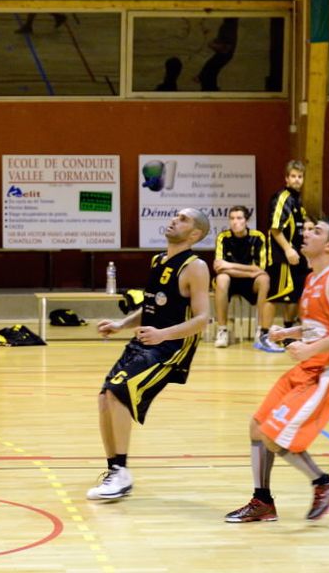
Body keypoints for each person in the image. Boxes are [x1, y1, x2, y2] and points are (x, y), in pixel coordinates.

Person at [224, 216, 329, 523]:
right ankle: (262, 501)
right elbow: (319, 326)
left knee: (274, 436)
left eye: (316, 231)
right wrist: (289, 333)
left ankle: (324, 483)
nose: (306, 233)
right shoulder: (313, 278)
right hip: (306, 367)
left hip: (326, 372)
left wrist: (310, 349)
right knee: (257, 427)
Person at [87, 208, 211, 500]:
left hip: (173, 347)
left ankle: (120, 473)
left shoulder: (195, 267)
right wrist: (122, 324)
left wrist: (162, 335)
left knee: (118, 392)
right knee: (106, 396)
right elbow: (152, 307)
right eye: (175, 216)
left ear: (195, 234)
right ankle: (116, 471)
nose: (174, 220)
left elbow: (203, 318)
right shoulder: (158, 260)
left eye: (183, 219)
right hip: (146, 340)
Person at [258, 160, 309, 352]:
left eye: (300, 176)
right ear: (287, 178)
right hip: (281, 256)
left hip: (296, 256)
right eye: (293, 176)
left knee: (294, 296)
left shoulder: (298, 201)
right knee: (275, 295)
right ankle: (263, 335)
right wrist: (288, 249)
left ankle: (287, 335)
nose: (297, 180)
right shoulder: (283, 197)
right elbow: (275, 228)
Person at [212, 206, 270, 348]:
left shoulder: (258, 237)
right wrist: (250, 271)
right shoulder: (223, 237)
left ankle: (261, 331)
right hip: (230, 281)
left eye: (239, 218)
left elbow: (261, 269)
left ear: (247, 220)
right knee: (222, 278)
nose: (235, 222)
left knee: (264, 279)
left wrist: (229, 265)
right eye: (232, 218)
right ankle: (222, 331)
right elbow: (219, 267)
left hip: (251, 283)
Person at [196, 17, 238, 91]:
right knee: (209, 72)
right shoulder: (229, 26)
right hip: (223, 54)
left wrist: (213, 45)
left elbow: (227, 47)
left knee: (209, 73)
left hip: (223, 54)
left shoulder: (228, 27)